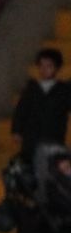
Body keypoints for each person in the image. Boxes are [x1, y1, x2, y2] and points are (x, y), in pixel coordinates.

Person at [15, 48, 71, 177]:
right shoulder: (32, 88)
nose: (44, 69)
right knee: (31, 165)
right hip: (32, 136)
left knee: (52, 167)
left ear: (57, 68)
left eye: (49, 66)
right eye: (42, 66)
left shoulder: (64, 90)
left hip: (53, 135)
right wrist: (17, 130)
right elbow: (21, 110)